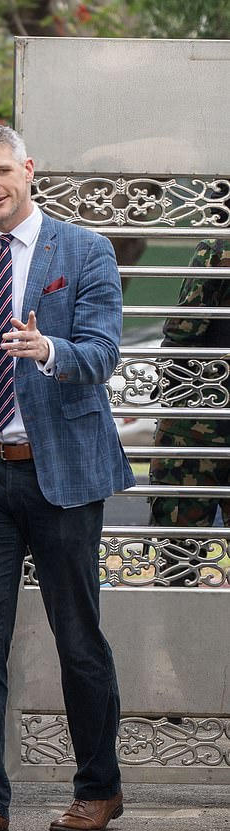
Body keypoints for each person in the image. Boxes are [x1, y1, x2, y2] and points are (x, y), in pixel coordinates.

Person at [0, 124, 134, 831]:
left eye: (2, 171)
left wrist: (49, 350)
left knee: (79, 637)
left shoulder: (84, 250)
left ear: (29, 170)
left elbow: (105, 354)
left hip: (62, 475)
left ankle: (99, 788)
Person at [149, 238, 230, 581]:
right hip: (198, 421)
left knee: (179, 566)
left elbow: (183, 330)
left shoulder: (218, 249)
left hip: (195, 427)